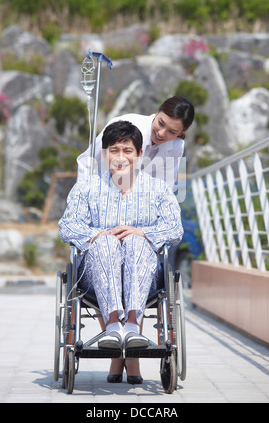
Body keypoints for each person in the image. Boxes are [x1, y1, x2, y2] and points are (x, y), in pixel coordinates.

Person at [59, 121, 183, 385]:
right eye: (113, 150)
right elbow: (67, 226)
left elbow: (175, 229)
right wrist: (96, 236)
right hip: (95, 275)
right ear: (104, 154)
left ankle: (129, 331)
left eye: (127, 150)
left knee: (137, 242)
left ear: (139, 155)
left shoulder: (158, 189)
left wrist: (144, 234)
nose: (120, 157)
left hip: (145, 276)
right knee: (106, 243)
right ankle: (115, 328)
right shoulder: (86, 187)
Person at [77, 95, 195, 191]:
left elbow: (165, 186)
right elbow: (87, 161)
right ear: (158, 112)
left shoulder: (176, 146)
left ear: (181, 132)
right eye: (161, 123)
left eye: (171, 131)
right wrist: (83, 199)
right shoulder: (126, 125)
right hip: (101, 190)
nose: (161, 133)